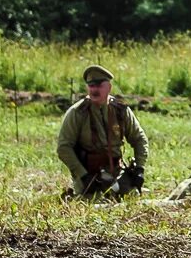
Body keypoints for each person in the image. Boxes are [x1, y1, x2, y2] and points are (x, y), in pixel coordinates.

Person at [57, 65, 149, 198]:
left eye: (99, 85)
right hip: (89, 174)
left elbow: (139, 139)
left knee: (132, 198)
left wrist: (139, 169)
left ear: (109, 88)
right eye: (91, 86)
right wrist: (83, 175)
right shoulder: (77, 113)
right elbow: (64, 148)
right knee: (94, 203)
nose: (94, 90)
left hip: (116, 172)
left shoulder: (120, 111)